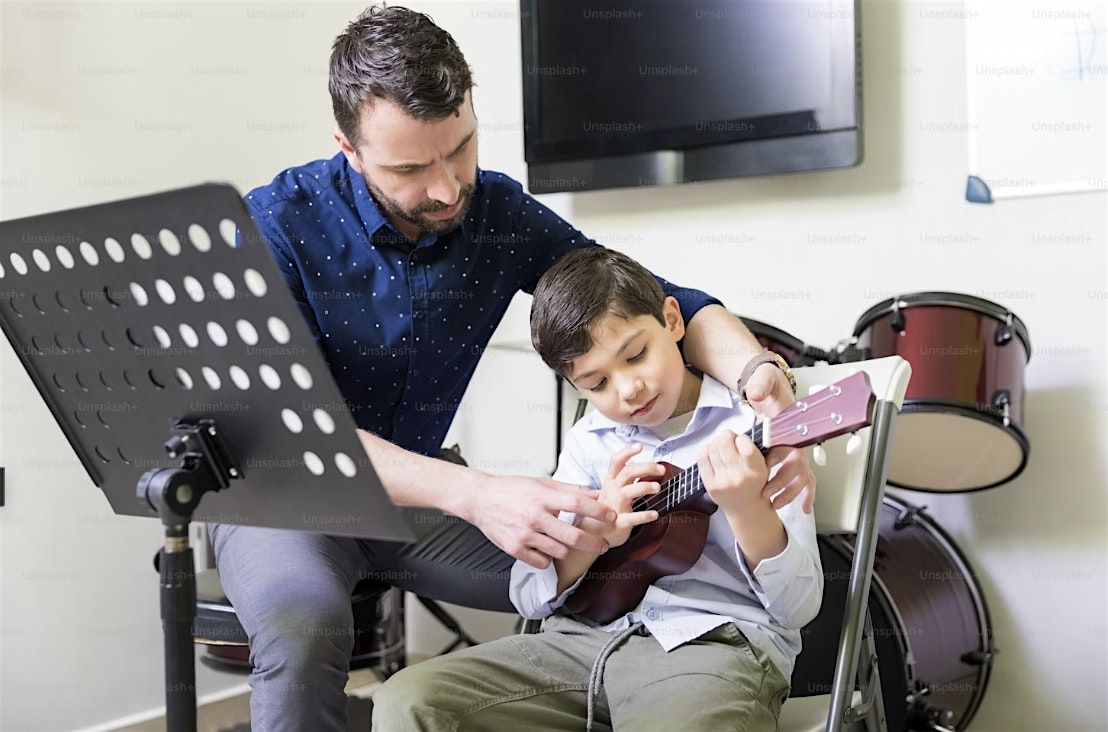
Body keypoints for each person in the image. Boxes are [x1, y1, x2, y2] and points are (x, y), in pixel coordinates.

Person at [213, 5, 814, 730]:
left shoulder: (496, 212)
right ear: (346, 146)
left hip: (416, 504)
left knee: (580, 574)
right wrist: (477, 494)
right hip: (287, 497)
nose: (444, 188)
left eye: (459, 148)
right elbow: (291, 434)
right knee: (306, 627)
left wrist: (755, 377)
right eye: (409, 169)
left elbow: (653, 300)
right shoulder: (276, 222)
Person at [371, 247, 823, 730]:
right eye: (596, 381)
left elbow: (799, 608)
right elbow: (527, 593)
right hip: (581, 644)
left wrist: (746, 510)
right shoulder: (591, 440)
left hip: (713, 646)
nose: (628, 389)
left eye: (636, 355)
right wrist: (591, 535)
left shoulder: (757, 423)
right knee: (410, 700)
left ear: (672, 320)